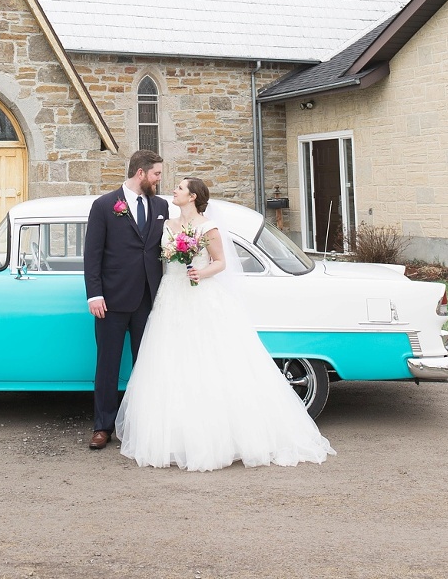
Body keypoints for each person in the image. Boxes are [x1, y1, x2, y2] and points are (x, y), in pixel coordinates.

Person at [115, 177, 335, 471]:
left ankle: (217, 437)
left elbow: (220, 262)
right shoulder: (167, 225)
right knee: (170, 362)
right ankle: (176, 437)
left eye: (180, 188)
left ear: (192, 196)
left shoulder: (208, 227)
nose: (175, 192)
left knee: (209, 360)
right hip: (171, 295)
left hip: (200, 294)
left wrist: (201, 273)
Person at [83, 149, 168, 449]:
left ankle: (141, 426)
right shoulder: (105, 205)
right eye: (156, 174)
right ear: (141, 173)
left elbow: (161, 250)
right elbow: (92, 255)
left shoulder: (161, 206)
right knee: (107, 364)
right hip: (112, 300)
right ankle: (102, 427)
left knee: (146, 364)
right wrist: (94, 294)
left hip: (148, 299)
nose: (159, 179)